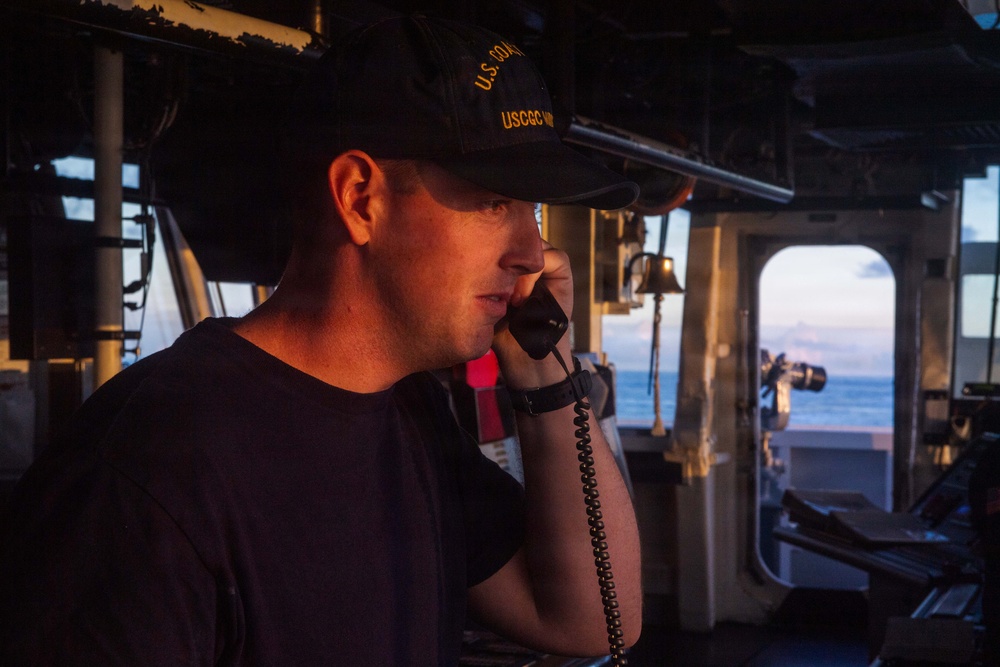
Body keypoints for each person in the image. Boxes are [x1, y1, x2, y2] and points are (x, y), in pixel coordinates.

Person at [0, 14, 643, 666]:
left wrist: (546, 374)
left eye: (532, 213)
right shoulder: (141, 477)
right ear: (361, 198)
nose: (533, 254)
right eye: (495, 204)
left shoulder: (413, 413)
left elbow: (592, 623)